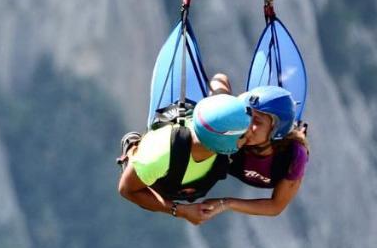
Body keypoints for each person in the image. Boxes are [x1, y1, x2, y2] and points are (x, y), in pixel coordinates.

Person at [117, 94, 252, 225]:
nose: (252, 133)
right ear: (225, 141)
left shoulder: (218, 137)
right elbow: (127, 190)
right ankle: (132, 150)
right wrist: (181, 211)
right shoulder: (158, 156)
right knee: (152, 187)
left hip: (182, 174)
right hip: (159, 174)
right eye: (245, 133)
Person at [199, 80, 310, 219]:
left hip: (276, 160)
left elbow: (275, 206)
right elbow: (221, 79)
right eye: (248, 115)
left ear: (276, 130)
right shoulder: (235, 129)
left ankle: (294, 128)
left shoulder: (294, 155)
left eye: (257, 121)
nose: (247, 124)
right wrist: (218, 99)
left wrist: (225, 204)